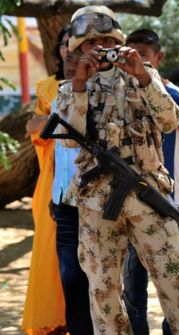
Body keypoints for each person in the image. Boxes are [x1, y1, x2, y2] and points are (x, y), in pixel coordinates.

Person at [56, 5, 179, 333]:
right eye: (89, 44)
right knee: (104, 294)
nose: (98, 48)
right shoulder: (70, 90)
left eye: (105, 41)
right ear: (77, 48)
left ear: (117, 41)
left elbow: (170, 121)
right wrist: (81, 87)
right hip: (97, 202)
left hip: (147, 194)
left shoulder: (143, 77)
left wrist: (141, 75)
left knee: (177, 281)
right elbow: (70, 141)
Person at [122, 28, 179, 335]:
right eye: (131, 53)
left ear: (160, 57)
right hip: (132, 207)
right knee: (133, 288)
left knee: (176, 286)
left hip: (174, 205)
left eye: (144, 54)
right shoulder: (123, 94)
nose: (138, 59)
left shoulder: (176, 96)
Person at [22, 26, 69, 335]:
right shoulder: (48, 87)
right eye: (64, 43)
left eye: (76, 43)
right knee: (48, 254)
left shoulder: (103, 84)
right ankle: (52, 322)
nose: (69, 48)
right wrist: (60, 110)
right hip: (52, 183)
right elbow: (33, 127)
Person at [50, 45, 95, 335]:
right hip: (65, 205)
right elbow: (58, 151)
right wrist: (53, 196)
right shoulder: (60, 95)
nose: (71, 64)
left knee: (103, 287)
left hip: (98, 204)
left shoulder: (105, 95)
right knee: (72, 285)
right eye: (67, 58)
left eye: (77, 57)